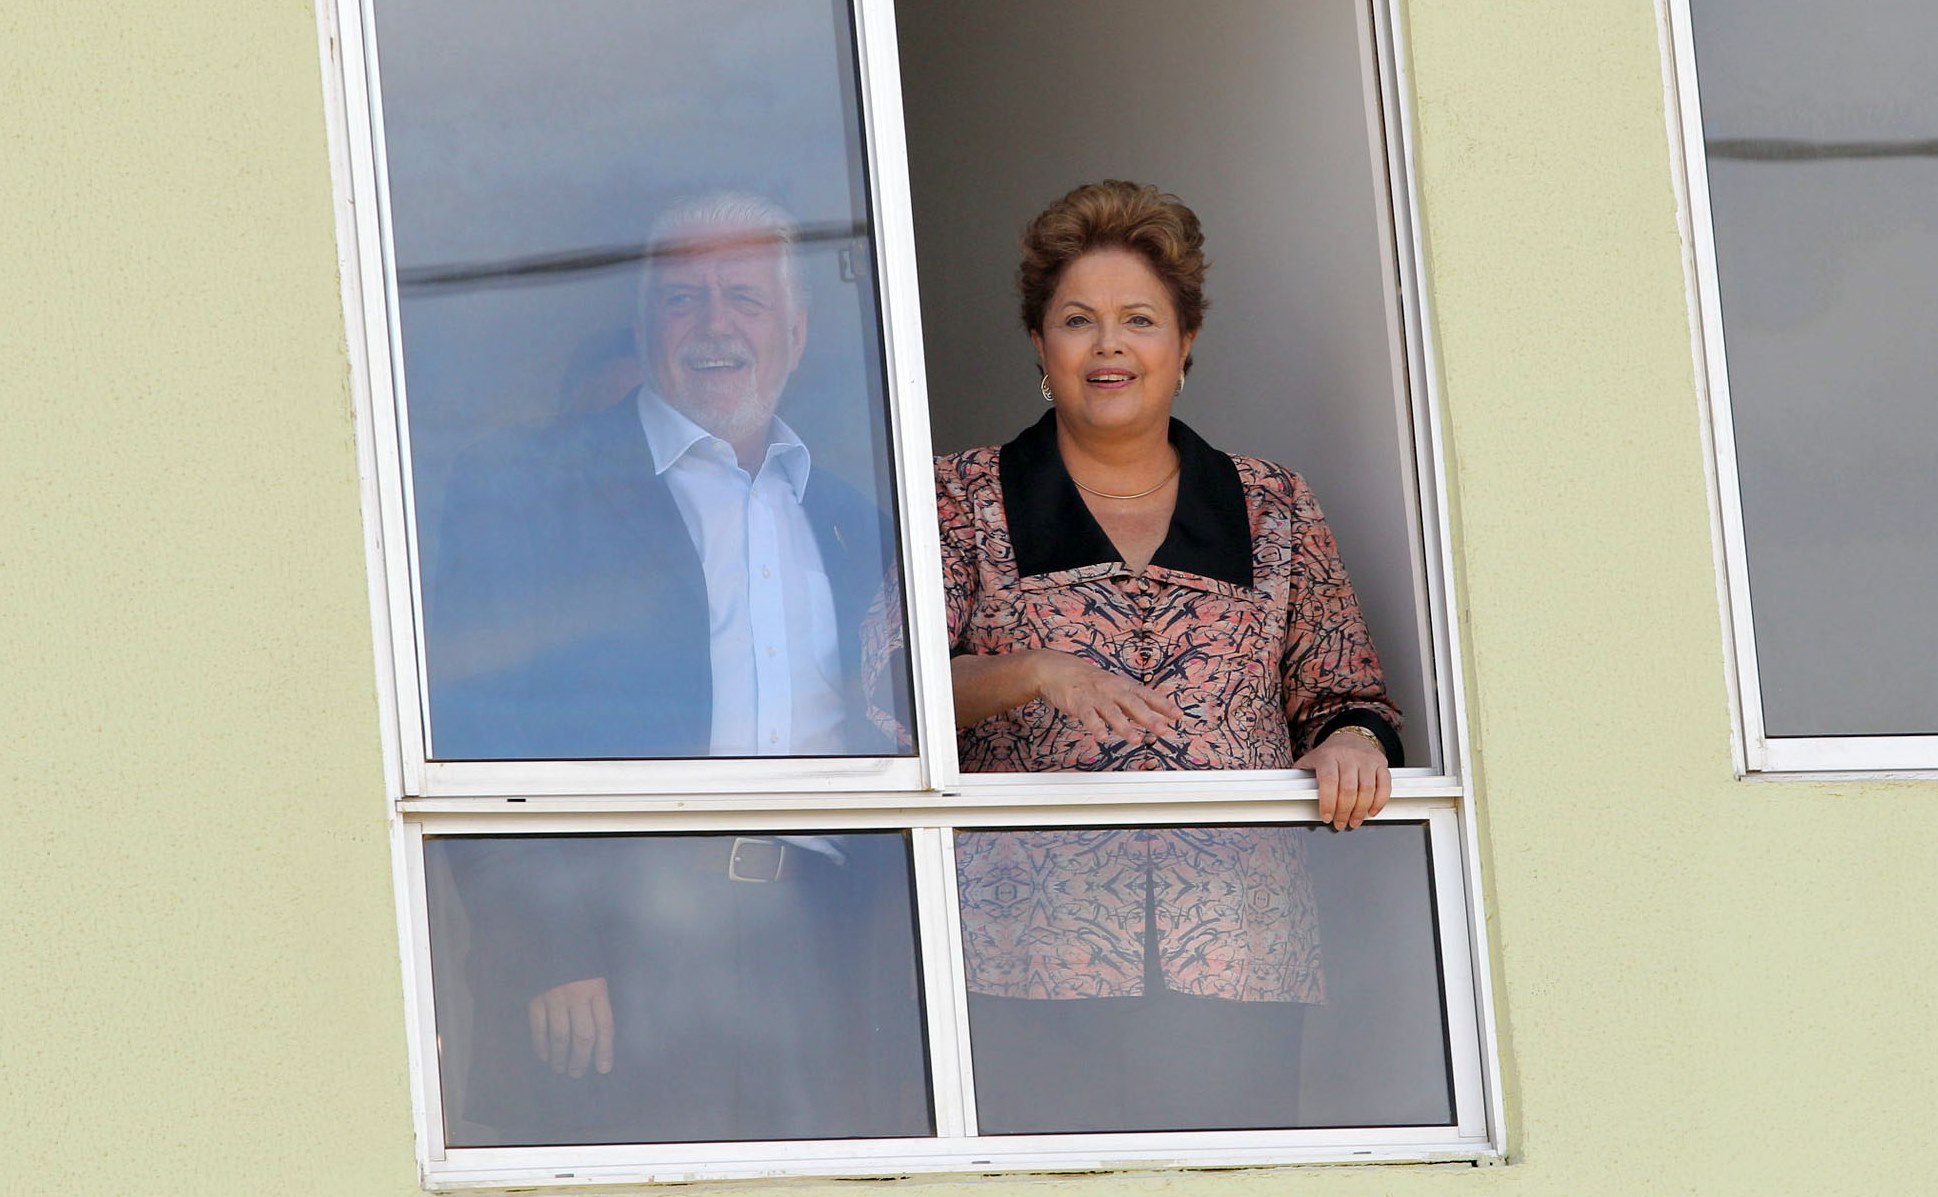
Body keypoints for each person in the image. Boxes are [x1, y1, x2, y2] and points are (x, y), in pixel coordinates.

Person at [429, 194, 926, 1146]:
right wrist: (548, 945)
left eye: (743, 298)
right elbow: (477, 715)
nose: (714, 326)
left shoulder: (857, 520)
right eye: (683, 300)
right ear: (644, 326)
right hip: (617, 939)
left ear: (798, 331)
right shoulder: (536, 482)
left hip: (817, 948)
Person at [936, 180, 1403, 1133]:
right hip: (1021, 960)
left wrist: (1354, 742)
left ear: (1185, 343)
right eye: (1078, 320)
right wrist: (1034, 670)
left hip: (1240, 957)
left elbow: (1347, 694)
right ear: (1039, 344)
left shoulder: (1272, 504)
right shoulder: (962, 496)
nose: (1110, 345)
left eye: (1139, 319)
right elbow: (884, 704)